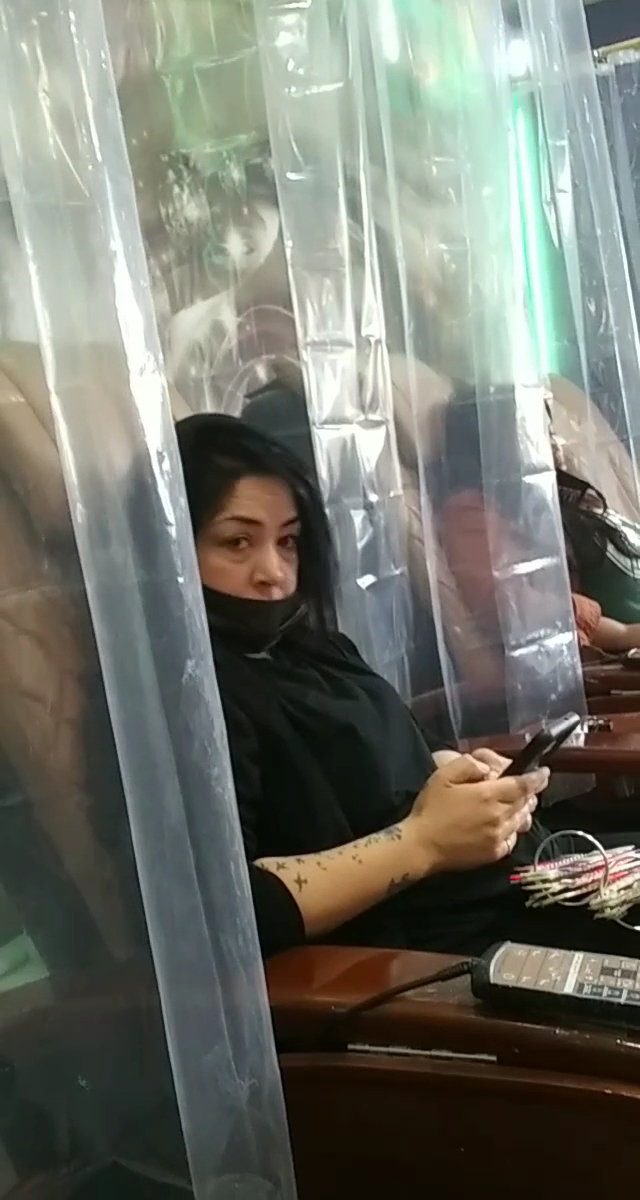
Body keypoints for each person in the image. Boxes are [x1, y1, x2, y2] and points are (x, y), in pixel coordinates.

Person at [176, 411, 640, 960]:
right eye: (237, 542)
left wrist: (467, 775)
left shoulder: (312, 648)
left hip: (526, 881)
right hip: (438, 954)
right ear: (173, 549)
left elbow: (411, 748)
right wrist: (423, 842)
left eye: (289, 541)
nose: (273, 572)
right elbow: (229, 911)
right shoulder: (193, 701)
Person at [436, 386, 640, 659]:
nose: (556, 443)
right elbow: (510, 604)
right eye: (540, 433)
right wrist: (623, 634)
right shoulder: (470, 513)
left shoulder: (554, 500)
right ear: (501, 444)